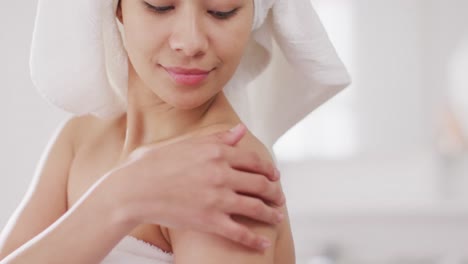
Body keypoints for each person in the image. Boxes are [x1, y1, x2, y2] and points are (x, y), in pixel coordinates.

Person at [0, 0, 351, 263]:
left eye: (222, 9)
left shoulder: (225, 171)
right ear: (117, 7)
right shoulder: (81, 138)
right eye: (160, 4)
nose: (190, 41)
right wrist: (119, 199)